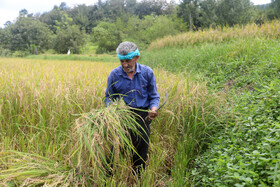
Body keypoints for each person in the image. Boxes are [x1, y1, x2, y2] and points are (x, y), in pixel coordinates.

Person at [105, 41, 160, 174]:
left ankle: (137, 178)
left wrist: (153, 108)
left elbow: (154, 96)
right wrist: (112, 107)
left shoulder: (147, 73)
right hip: (121, 118)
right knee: (114, 150)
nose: (125, 64)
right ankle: (109, 177)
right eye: (122, 61)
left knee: (140, 153)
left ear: (136, 58)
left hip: (142, 118)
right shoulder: (114, 75)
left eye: (128, 61)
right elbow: (108, 97)